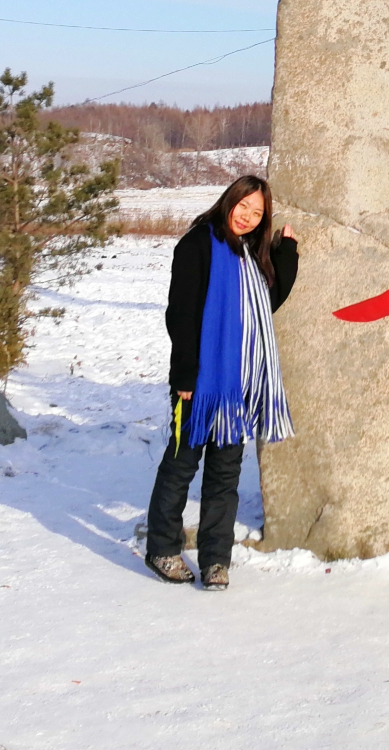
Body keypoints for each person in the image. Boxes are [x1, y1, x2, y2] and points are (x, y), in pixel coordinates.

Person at [145, 175, 299, 591]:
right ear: (228, 201)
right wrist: (184, 377)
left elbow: (268, 302)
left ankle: (216, 559)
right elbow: (181, 315)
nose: (247, 218)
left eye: (257, 213)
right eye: (243, 207)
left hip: (237, 384)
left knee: (225, 474)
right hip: (199, 381)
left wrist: (288, 253)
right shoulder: (197, 244)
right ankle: (162, 547)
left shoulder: (251, 255)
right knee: (180, 465)